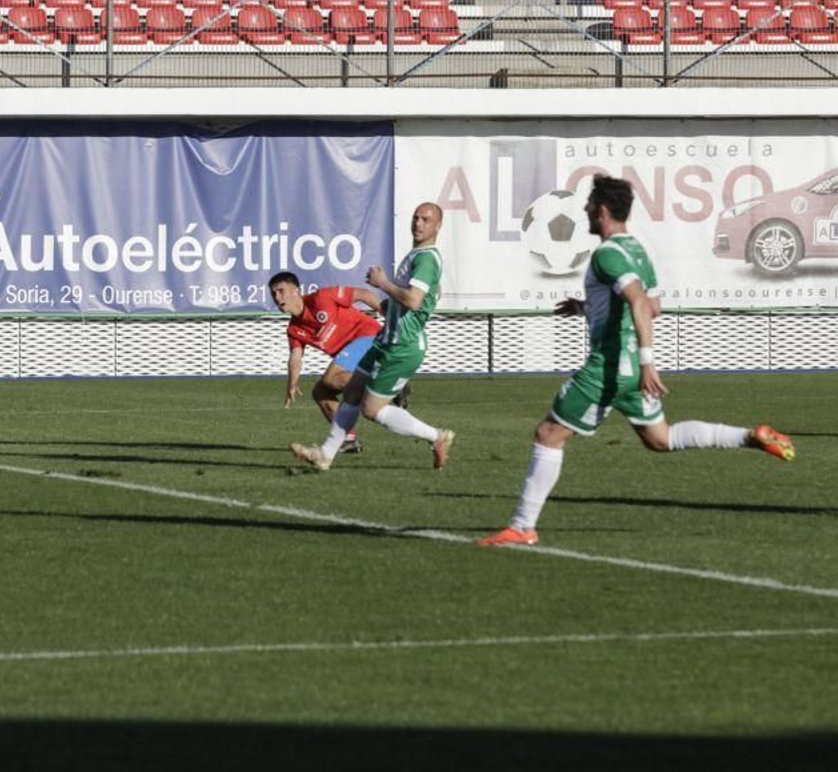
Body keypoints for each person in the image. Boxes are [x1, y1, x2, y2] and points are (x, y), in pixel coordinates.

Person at [478, 177, 794, 547]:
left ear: (602, 210)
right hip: (629, 369)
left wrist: (648, 362)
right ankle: (749, 436)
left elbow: (640, 303)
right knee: (660, 438)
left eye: (590, 205)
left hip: (609, 367)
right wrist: (587, 307)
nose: (585, 211)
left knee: (548, 435)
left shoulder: (607, 253)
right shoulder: (639, 250)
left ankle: (521, 526)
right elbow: (653, 305)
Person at [290, 203, 456, 472]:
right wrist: (389, 306)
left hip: (403, 346)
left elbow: (413, 300)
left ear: (438, 225)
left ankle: (437, 436)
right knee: (352, 391)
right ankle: (325, 455)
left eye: (426, 219)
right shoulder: (416, 255)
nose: (418, 224)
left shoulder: (426, 258)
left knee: (371, 409)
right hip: (385, 340)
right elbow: (410, 302)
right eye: (415, 218)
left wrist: (383, 284)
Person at [268, 271, 386, 456]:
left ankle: (383, 385)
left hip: (370, 336)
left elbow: (364, 294)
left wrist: (392, 320)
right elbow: (295, 357)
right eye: (273, 294)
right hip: (353, 355)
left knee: (331, 377)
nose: (277, 297)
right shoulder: (294, 329)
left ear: (296, 291)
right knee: (321, 392)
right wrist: (292, 383)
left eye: (281, 291)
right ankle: (348, 439)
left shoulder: (321, 298)